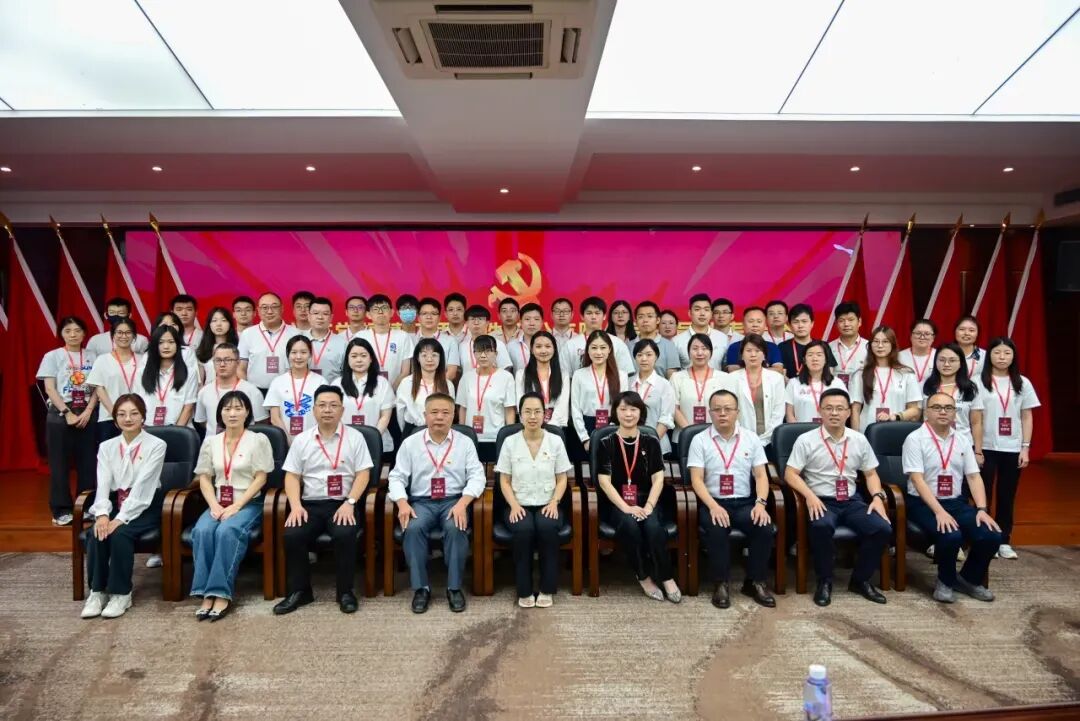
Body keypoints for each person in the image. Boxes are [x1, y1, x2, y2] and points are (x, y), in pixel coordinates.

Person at [784, 388, 892, 606]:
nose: (834, 413)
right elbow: (790, 474)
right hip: (821, 501)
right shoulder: (806, 440)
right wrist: (809, 496)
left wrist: (877, 497)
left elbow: (871, 474)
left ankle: (860, 580)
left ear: (848, 413)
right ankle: (825, 581)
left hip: (851, 501)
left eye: (840, 408)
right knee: (821, 526)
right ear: (820, 411)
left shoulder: (859, 440)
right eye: (829, 408)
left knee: (882, 529)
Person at [273, 386, 373, 615]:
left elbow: (363, 474)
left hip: (342, 504)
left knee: (345, 534)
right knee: (292, 534)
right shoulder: (302, 440)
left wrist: (350, 503)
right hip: (310, 504)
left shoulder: (355, 438)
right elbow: (292, 476)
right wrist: (295, 506)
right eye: (322, 405)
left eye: (333, 405)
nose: (327, 410)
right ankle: (300, 591)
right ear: (314, 409)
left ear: (342, 410)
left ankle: (345, 592)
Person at [388, 393, 486, 614]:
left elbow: (477, 476)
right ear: (425, 415)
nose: (439, 417)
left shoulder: (465, 443)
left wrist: (463, 503)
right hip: (421, 503)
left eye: (445, 412)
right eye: (434, 412)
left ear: (453, 416)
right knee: (413, 528)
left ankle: (454, 588)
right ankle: (421, 588)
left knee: (455, 527)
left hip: (454, 501)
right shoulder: (411, 443)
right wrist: (402, 503)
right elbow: (396, 477)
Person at [903, 393, 1002, 603]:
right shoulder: (914, 439)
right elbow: (917, 480)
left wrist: (982, 509)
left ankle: (968, 579)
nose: (943, 412)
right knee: (951, 534)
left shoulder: (962, 439)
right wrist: (939, 512)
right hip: (922, 503)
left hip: (955, 502)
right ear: (926, 412)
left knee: (992, 535)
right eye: (937, 407)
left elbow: (973, 477)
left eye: (948, 408)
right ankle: (945, 581)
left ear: (955, 413)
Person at [80, 394, 167, 619]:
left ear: (143, 416)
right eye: (121, 414)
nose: (128, 419)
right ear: (115, 419)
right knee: (96, 533)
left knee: (120, 533)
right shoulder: (107, 447)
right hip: (116, 502)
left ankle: (121, 593)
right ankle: (98, 592)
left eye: (134, 413)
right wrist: (102, 514)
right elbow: (102, 483)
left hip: (146, 504)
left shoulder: (157, 445)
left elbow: (144, 486)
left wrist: (120, 518)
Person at [687, 389, 776, 609]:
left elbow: (761, 475)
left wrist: (760, 504)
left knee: (764, 527)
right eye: (717, 409)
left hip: (745, 503)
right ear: (710, 412)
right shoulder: (700, 440)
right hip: (713, 502)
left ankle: (755, 582)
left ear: (737, 412)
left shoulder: (751, 438)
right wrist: (713, 506)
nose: (722, 413)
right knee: (717, 528)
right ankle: (721, 584)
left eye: (728, 409)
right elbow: (696, 479)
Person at [190, 391, 274, 620]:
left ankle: (220, 592)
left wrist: (237, 505)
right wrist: (214, 505)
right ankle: (204, 592)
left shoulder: (258, 440)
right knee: (202, 530)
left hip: (248, 503)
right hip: (218, 502)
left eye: (238, 408)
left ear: (247, 412)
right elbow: (205, 478)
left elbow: (261, 478)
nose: (232, 413)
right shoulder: (211, 442)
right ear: (220, 414)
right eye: (227, 409)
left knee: (227, 531)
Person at [595, 391, 681, 602]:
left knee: (653, 526)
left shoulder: (651, 441)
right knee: (630, 525)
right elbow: (604, 481)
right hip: (618, 502)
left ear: (640, 412)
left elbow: (658, 478)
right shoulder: (605, 442)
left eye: (633, 409)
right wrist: (626, 507)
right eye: (623, 409)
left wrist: (650, 505)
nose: (628, 414)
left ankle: (666, 577)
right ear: (615, 412)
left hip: (647, 499)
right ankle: (643, 576)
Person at [495, 393, 573, 608]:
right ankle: (524, 590)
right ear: (520, 415)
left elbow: (562, 478)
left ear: (544, 414)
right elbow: (504, 480)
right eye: (527, 412)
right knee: (523, 529)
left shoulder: (555, 441)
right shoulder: (510, 442)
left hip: (549, 502)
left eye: (537, 411)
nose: (532, 416)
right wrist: (513, 505)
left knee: (547, 527)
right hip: (517, 503)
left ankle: (547, 588)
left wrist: (555, 502)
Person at [977, 337, 1040, 560]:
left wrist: (1025, 448)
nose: (1001, 357)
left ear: (1013, 357)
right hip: (985, 446)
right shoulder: (978, 381)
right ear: (989, 356)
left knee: (1007, 495)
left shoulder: (1023, 382)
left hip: (1012, 447)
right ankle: (984, 538)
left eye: (1007, 353)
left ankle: (1004, 540)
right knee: (982, 494)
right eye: (997, 353)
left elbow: (1027, 416)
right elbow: (975, 417)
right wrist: (976, 449)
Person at [38, 316, 98, 525]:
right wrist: (67, 412)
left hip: (88, 412)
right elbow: (49, 388)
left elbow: (98, 386)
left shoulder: (93, 356)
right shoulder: (52, 356)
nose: (73, 335)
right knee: (59, 464)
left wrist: (89, 410)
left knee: (88, 463)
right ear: (61, 334)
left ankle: (87, 506)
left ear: (84, 333)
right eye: (68, 331)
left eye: (77, 330)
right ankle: (61, 510)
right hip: (61, 413)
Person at [456, 335, 517, 463]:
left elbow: (509, 410)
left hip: (496, 437)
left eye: (488, 351)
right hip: (471, 438)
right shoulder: (467, 378)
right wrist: (463, 434)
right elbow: (463, 408)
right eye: (479, 351)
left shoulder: (506, 377)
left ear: (496, 353)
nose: (483, 355)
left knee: (494, 471)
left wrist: (509, 436)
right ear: (474, 353)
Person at [569, 330, 628, 460]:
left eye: (603, 347)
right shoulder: (579, 375)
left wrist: (611, 433)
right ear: (588, 350)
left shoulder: (621, 376)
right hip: (586, 427)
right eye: (594, 348)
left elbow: (623, 407)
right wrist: (585, 438)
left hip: (613, 426)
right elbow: (575, 409)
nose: (598, 352)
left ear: (609, 350)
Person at [671, 334, 736, 451]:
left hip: (716, 437)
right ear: (689, 352)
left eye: (704, 348)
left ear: (711, 352)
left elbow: (730, 408)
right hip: (684, 437)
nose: (700, 353)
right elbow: (674, 408)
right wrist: (690, 431)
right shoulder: (677, 377)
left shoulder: (724, 378)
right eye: (695, 348)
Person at [849, 326, 922, 431]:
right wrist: (857, 436)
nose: (880, 346)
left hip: (897, 429)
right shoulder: (861, 373)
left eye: (885, 342)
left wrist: (895, 416)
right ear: (870, 345)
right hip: (866, 430)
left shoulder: (906, 373)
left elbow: (915, 410)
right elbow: (855, 409)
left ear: (893, 344)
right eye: (876, 341)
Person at [87, 318, 144, 444]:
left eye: (128, 332)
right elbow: (99, 389)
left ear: (134, 336)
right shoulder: (102, 360)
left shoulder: (143, 360)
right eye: (119, 332)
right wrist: (116, 414)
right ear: (113, 336)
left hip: (138, 417)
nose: (124, 336)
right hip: (109, 418)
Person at [335, 338, 396, 453]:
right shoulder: (337, 384)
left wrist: (372, 438)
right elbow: (334, 415)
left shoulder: (382, 383)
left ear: (371, 358)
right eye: (354, 356)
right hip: (344, 442)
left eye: (363, 356)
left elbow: (385, 416)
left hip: (376, 442)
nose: (359, 360)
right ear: (347, 359)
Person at [194, 343, 268, 437]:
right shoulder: (204, 392)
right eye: (218, 360)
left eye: (228, 360)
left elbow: (261, 422)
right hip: (212, 443)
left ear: (238, 362)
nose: (222, 364)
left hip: (244, 443)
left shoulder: (252, 391)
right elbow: (202, 421)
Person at [265, 335, 325, 443]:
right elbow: (275, 418)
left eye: (303, 352)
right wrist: (287, 441)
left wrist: (312, 440)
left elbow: (324, 415)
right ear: (288, 355)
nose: (298, 357)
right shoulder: (277, 382)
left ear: (310, 355)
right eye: (294, 352)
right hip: (285, 442)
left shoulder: (320, 382)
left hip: (314, 441)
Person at [729, 335, 786, 449]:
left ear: (764, 355)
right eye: (748, 350)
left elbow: (778, 413)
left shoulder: (776, 378)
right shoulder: (732, 378)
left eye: (757, 351)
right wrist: (744, 438)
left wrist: (764, 440)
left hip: (770, 440)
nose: (753, 354)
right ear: (742, 355)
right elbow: (730, 412)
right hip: (740, 441)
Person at [238, 292, 299, 394]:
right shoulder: (248, 334)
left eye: (274, 307)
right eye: (265, 307)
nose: (269, 311)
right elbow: (241, 368)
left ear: (282, 308)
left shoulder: (295, 333)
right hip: (256, 391)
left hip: (288, 391)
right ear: (258, 310)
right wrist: (247, 391)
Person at [136, 325, 197, 428]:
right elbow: (137, 403)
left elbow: (188, 407)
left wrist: (175, 432)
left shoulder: (189, 372)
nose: (166, 346)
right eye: (161, 342)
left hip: (179, 429)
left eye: (171, 342)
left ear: (178, 345)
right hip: (148, 429)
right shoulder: (141, 372)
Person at [922, 342, 984, 443]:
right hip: (931, 442)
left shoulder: (970, 388)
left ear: (961, 363)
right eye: (942, 360)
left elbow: (976, 423)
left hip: (963, 443)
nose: (946, 364)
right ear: (935, 362)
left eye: (952, 360)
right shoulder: (926, 386)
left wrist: (977, 450)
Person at [396, 338, 456, 438]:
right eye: (424, 355)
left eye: (434, 355)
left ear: (440, 358)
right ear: (417, 358)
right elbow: (400, 413)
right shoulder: (407, 383)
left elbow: (450, 412)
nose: (429, 359)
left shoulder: (448, 384)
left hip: (440, 431)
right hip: (412, 431)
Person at [563, 297, 635, 375]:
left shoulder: (617, 343)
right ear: (582, 316)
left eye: (597, 313)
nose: (593, 317)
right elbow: (565, 376)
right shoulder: (571, 345)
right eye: (589, 313)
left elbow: (627, 374)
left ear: (604, 316)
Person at [630, 339, 676, 455]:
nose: (644, 359)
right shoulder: (628, 383)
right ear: (635, 358)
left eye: (649, 354)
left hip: (657, 445)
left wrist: (649, 443)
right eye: (639, 355)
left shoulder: (664, 384)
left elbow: (666, 418)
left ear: (656, 357)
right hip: (629, 444)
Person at [359, 294, 415, 389]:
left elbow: (405, 371)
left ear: (391, 312)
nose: (380, 312)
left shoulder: (403, 336)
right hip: (366, 390)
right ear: (368, 314)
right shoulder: (361, 337)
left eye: (384, 308)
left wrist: (391, 391)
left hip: (396, 390)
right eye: (375, 309)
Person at [516, 331, 570, 428]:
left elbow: (562, 404)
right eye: (538, 346)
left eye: (548, 346)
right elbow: (521, 403)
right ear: (532, 350)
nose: (543, 351)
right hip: (530, 426)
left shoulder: (563, 375)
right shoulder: (521, 375)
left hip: (556, 427)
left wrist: (550, 427)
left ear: (554, 349)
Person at [785, 340, 846, 423]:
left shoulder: (837, 383)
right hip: (801, 429)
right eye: (810, 355)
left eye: (819, 355)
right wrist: (798, 430)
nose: (815, 359)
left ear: (826, 359)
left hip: (830, 429)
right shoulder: (793, 383)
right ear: (804, 360)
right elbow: (789, 414)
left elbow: (843, 412)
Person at [779, 304, 838, 379]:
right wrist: (794, 385)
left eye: (804, 321)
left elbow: (829, 372)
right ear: (789, 325)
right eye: (796, 322)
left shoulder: (823, 346)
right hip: (791, 385)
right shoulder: (782, 347)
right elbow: (782, 375)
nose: (800, 326)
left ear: (812, 323)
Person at [675, 293, 730, 370]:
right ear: (690, 313)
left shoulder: (723, 338)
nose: (702, 314)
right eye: (697, 309)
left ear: (711, 314)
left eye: (706, 310)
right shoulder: (677, 341)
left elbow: (726, 369)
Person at [415, 297, 462, 382]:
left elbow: (451, 372)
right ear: (418, 318)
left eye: (433, 313)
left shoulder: (450, 341)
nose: (429, 317)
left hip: (442, 387)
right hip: (417, 386)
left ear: (439, 317)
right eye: (424, 313)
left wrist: (433, 386)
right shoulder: (412, 340)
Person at [458, 304, 512, 376]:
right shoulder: (462, 346)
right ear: (466, 323)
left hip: (492, 382)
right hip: (469, 382)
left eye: (480, 319)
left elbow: (506, 368)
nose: (476, 323)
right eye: (472, 319)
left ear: (487, 322)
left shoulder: (497, 344)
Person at [724, 307, 783, 372]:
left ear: (765, 325)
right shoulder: (734, 347)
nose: (755, 325)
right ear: (743, 324)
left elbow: (778, 370)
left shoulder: (772, 347)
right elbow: (733, 370)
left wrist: (751, 371)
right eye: (751, 321)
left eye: (759, 321)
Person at [632, 301, 680, 378]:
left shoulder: (669, 345)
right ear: (636, 322)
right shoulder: (628, 346)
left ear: (658, 320)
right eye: (641, 317)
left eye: (650, 316)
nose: (645, 320)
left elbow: (672, 378)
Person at [305, 297, 346, 384]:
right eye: (316, 313)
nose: (320, 317)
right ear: (308, 316)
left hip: (332, 390)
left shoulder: (342, 343)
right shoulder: (298, 340)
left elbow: (347, 374)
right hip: (303, 390)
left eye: (325, 314)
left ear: (331, 317)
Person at [195, 306, 239, 385]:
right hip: (209, 390)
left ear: (230, 324)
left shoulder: (238, 347)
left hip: (233, 390)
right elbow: (200, 382)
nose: (219, 324)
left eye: (223, 320)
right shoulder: (203, 349)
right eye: (214, 320)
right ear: (209, 324)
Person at [830, 301, 869, 389]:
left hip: (861, 396)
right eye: (841, 320)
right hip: (835, 395)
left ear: (859, 322)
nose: (846, 324)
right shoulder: (828, 348)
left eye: (851, 320)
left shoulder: (869, 347)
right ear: (836, 324)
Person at [898, 318, 938, 385]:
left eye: (927, 334)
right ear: (911, 336)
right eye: (918, 333)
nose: (922, 337)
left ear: (933, 338)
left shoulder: (939, 356)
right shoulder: (899, 357)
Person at [498, 298, 530, 373]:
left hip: (523, 377)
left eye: (512, 311)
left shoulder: (526, 336)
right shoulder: (491, 337)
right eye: (504, 311)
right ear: (499, 315)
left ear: (519, 315)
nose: (508, 315)